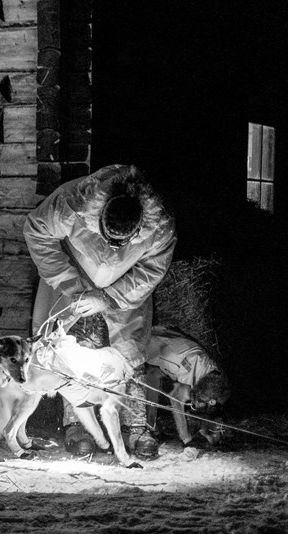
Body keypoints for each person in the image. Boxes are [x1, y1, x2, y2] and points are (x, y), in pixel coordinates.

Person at [23, 164, 176, 459]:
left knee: (129, 351)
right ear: (99, 215)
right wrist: (73, 285)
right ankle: (76, 426)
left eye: (122, 242)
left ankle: (137, 425)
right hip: (72, 278)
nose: (112, 247)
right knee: (67, 350)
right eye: (107, 237)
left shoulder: (160, 224)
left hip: (124, 290)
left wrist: (109, 297)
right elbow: (36, 229)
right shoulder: (73, 202)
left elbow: (152, 269)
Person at [144, 324, 230, 447]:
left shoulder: (211, 374)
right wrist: (187, 439)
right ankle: (148, 427)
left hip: (163, 354)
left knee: (153, 375)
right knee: (152, 377)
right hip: (145, 344)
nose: (196, 403)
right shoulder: (194, 373)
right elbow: (176, 401)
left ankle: (151, 426)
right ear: (211, 401)